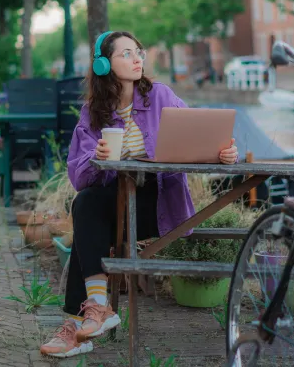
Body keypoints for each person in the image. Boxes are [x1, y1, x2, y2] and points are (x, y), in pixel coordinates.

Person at [39, 31, 238, 358]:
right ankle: (95, 312)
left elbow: (201, 133)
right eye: (126, 53)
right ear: (104, 64)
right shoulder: (93, 112)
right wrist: (97, 158)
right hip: (114, 206)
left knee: (86, 216)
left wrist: (223, 154)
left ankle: (79, 324)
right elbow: (78, 175)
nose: (137, 59)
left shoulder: (160, 95)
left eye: (138, 52)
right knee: (86, 203)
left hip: (156, 205)